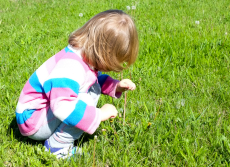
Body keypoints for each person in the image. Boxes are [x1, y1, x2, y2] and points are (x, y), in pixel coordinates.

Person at [15, 9, 139, 159]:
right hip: (33, 120)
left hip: (40, 113)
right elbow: (64, 107)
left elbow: (91, 81)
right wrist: (99, 114)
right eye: (110, 64)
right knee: (84, 102)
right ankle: (57, 147)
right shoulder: (71, 67)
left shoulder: (83, 55)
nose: (111, 68)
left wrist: (116, 86)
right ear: (102, 52)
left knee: (90, 91)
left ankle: (60, 137)